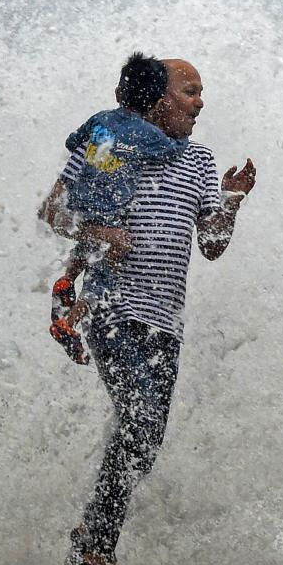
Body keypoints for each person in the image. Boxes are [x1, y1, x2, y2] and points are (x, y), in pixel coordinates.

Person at [38, 58, 258, 565]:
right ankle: (92, 552)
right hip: (112, 308)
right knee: (137, 420)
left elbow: (211, 246)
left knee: (147, 436)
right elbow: (53, 212)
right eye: (190, 91)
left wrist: (230, 202)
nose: (200, 102)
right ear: (157, 98)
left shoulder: (201, 162)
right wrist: (98, 229)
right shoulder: (109, 146)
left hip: (166, 323)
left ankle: (92, 547)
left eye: (201, 92)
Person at [49, 52, 189, 365]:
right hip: (108, 211)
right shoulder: (150, 135)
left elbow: (74, 143)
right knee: (114, 250)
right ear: (155, 103)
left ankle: (66, 279)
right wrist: (180, 137)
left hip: (80, 200)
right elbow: (173, 149)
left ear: (118, 92)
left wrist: (106, 151)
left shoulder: (101, 119)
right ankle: (68, 323)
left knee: (89, 240)